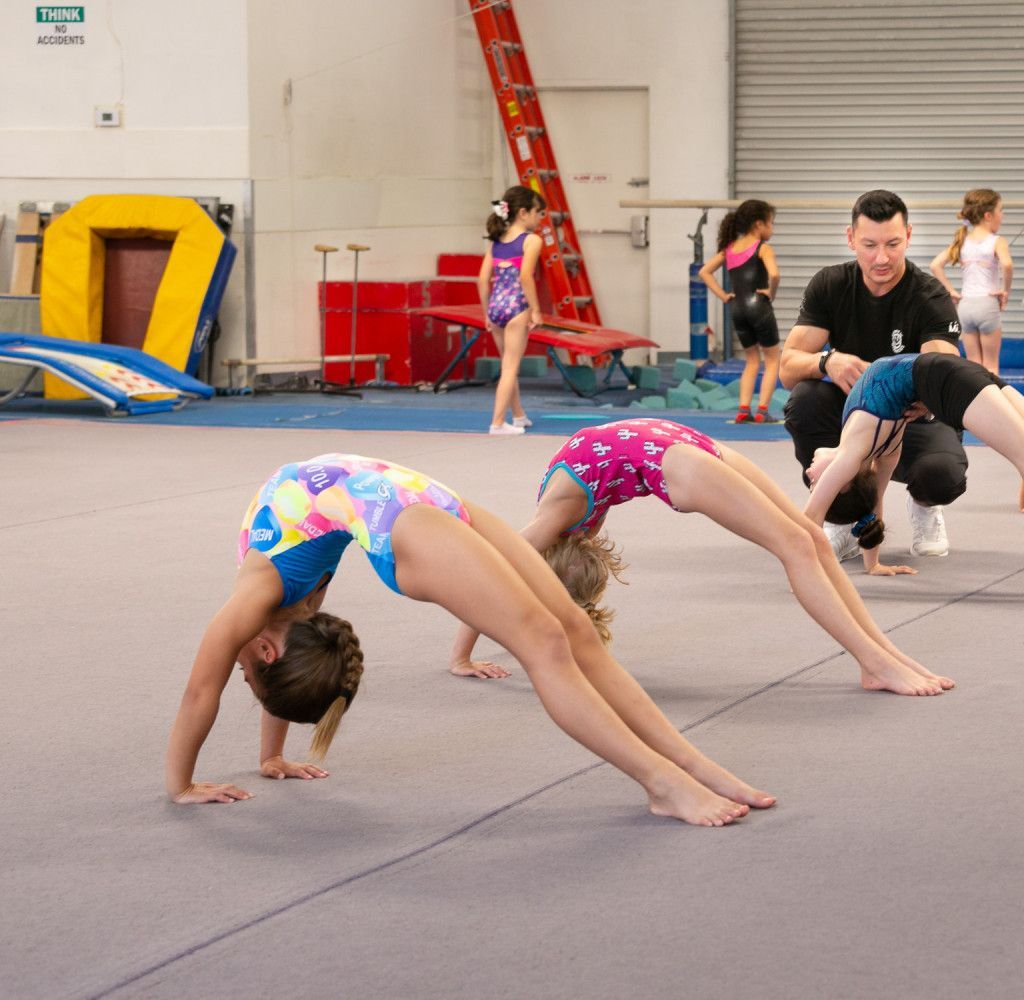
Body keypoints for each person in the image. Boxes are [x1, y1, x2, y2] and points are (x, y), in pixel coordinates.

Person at [165, 453, 770, 827]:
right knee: (548, 641)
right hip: (405, 497)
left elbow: (199, 695)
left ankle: (685, 767)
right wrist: (272, 756)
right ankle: (663, 780)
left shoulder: (250, 601)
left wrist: (182, 784)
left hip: (402, 510)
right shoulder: (289, 611)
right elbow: (277, 675)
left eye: (245, 675)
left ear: (264, 650)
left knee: (570, 632)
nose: (237, 669)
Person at [448, 418, 952, 696]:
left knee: (808, 540)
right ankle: (877, 660)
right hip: (672, 441)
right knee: (804, 541)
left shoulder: (551, 521)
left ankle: (880, 658)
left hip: (673, 455)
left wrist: (462, 655)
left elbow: (487, 568)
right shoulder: (567, 520)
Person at [802, 353, 1024, 605]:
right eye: (816, 482)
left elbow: (871, 506)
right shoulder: (859, 451)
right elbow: (813, 519)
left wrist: (872, 563)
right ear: (843, 482)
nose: (809, 472)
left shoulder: (878, 447)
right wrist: (806, 575)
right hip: (945, 379)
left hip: (953, 372)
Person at [779, 189, 967, 562]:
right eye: (869, 245)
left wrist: (924, 397)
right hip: (854, 418)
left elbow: (944, 368)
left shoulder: (930, 295)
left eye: (893, 244)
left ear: (909, 236)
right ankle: (841, 515)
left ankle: (925, 506)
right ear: (850, 239)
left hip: (914, 418)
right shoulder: (830, 285)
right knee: (805, 400)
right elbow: (787, 368)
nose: (882, 258)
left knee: (942, 476)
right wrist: (826, 362)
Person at [699, 200, 781, 423]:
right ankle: (762, 410)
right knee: (773, 359)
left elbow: (705, 272)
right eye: (771, 223)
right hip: (758, 306)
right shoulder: (762, 248)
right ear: (758, 224)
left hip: (737, 309)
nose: (772, 229)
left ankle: (743, 409)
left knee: (751, 360)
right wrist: (770, 293)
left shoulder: (729, 249)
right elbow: (774, 275)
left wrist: (724, 295)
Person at [479, 186, 546, 435]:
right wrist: (536, 310)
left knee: (508, 363)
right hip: (517, 307)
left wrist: (487, 311)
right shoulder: (531, 241)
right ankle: (497, 423)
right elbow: (526, 276)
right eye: (539, 212)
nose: (541, 218)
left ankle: (518, 416)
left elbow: (482, 279)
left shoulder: (496, 242)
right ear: (523, 213)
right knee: (510, 368)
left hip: (497, 306)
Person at [928, 188, 1013, 375]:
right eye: (1001, 211)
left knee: (973, 366)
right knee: (991, 367)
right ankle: (993, 404)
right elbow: (1007, 264)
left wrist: (951, 291)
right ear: (988, 215)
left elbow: (935, 265)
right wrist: (1004, 291)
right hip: (987, 304)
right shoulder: (997, 241)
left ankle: (974, 403)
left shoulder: (961, 241)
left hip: (965, 307)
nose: (1003, 216)